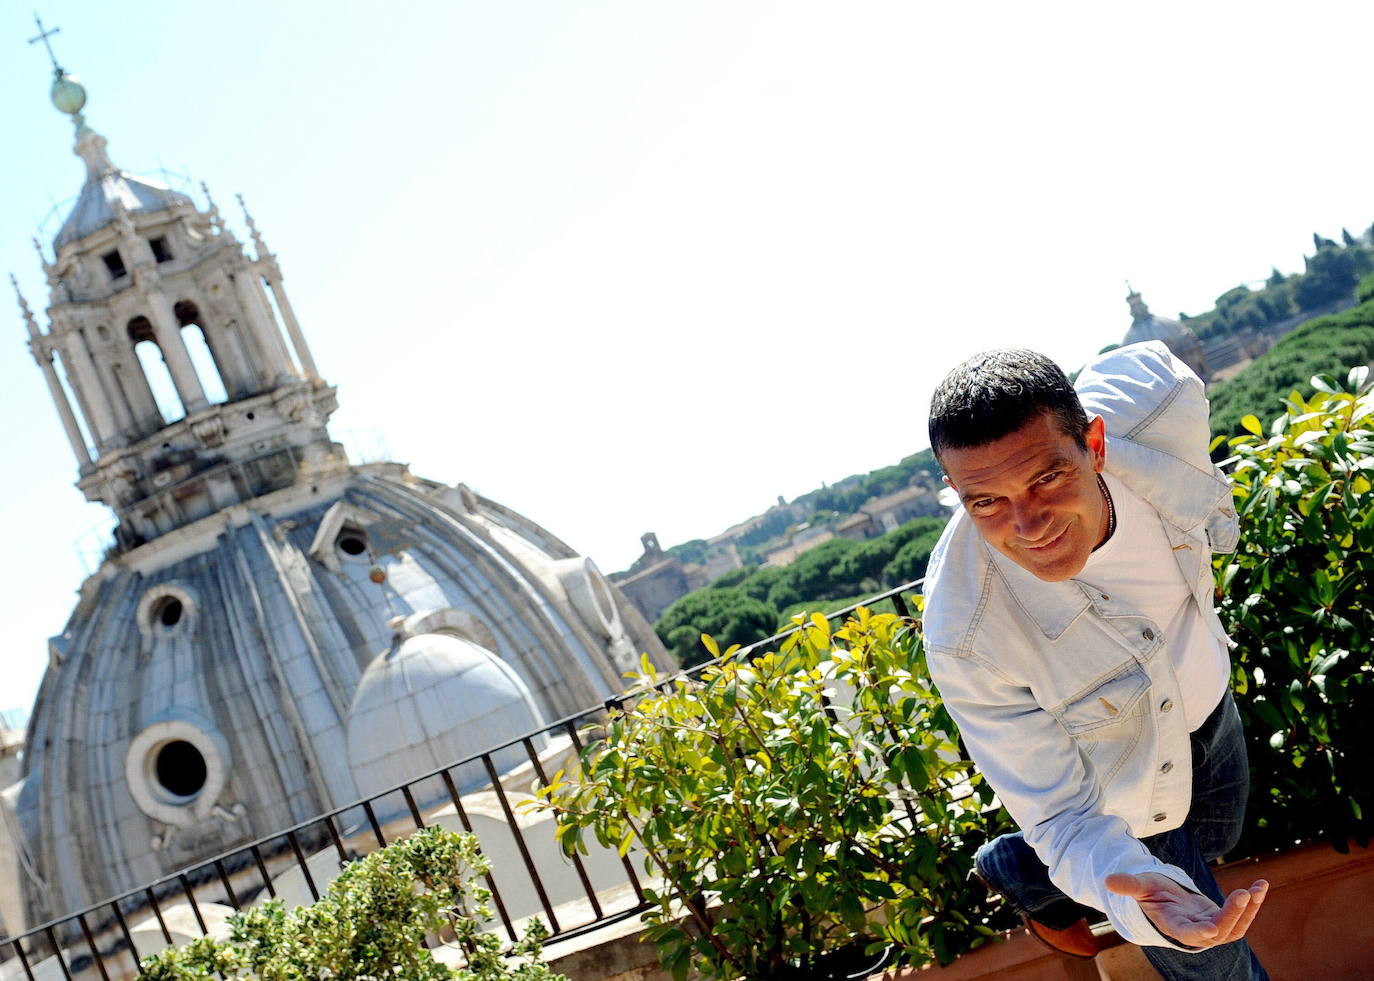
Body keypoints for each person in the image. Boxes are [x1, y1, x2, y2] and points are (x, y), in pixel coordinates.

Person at [921, 341, 1269, 980]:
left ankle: (1019, 866)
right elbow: (1064, 818)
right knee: (1221, 965)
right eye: (987, 502)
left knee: (1220, 836)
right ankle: (1044, 864)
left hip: (1209, 706)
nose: (1029, 525)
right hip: (1126, 784)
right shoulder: (967, 634)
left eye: (1046, 477)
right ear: (956, 493)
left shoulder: (1156, 409)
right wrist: (1144, 902)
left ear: (1096, 444)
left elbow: (1155, 364)